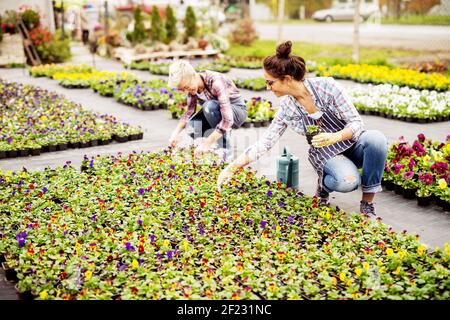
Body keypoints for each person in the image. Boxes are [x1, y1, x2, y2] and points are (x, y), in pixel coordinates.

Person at [217, 41, 388, 219]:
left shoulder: (327, 87)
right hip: (326, 153)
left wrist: (335, 136)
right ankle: (324, 185)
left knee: (377, 140)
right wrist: (232, 167)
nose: (268, 87)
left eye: (270, 82)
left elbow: (356, 122)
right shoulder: (287, 108)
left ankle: (367, 205)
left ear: (287, 79)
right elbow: (266, 141)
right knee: (347, 182)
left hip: (351, 142)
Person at [167, 60, 247, 160]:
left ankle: (225, 150)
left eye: (187, 87)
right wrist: (175, 133)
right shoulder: (192, 86)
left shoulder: (216, 82)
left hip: (237, 111)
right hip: (215, 111)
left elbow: (228, 120)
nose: (186, 91)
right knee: (191, 127)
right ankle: (211, 144)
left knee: (210, 106)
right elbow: (189, 113)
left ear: (193, 75)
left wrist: (207, 143)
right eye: (183, 89)